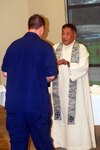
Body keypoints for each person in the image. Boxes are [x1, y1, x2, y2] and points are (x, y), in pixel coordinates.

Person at [1, 14, 58, 150]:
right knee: (43, 144)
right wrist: (36, 77)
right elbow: (51, 76)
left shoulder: (13, 46)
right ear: (42, 28)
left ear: (28, 27)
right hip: (37, 105)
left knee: (17, 144)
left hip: (15, 106)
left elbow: (5, 73)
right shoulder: (45, 47)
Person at [50, 23, 96, 150]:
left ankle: (78, 144)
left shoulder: (81, 48)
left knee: (77, 115)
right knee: (60, 115)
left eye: (68, 34)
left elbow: (83, 67)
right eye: (63, 33)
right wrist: (55, 64)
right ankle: (60, 142)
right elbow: (47, 67)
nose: (64, 36)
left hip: (77, 92)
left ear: (74, 35)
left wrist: (68, 63)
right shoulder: (54, 48)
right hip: (58, 90)